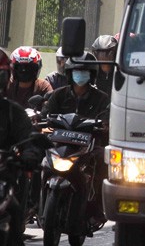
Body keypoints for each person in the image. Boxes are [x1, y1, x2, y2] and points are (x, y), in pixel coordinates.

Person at [43, 52, 110, 227]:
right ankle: (33, 203)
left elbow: (107, 122)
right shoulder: (58, 95)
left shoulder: (101, 98)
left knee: (103, 159)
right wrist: (39, 121)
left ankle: (96, 208)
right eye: (76, 71)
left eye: (84, 71)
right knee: (36, 159)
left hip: (87, 147)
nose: (80, 75)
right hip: (59, 144)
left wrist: (105, 127)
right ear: (69, 73)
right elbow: (44, 116)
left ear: (91, 74)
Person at [0, 48, 43, 246]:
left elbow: (30, 138)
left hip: (3, 178)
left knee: (15, 212)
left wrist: (30, 155)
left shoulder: (12, 112)